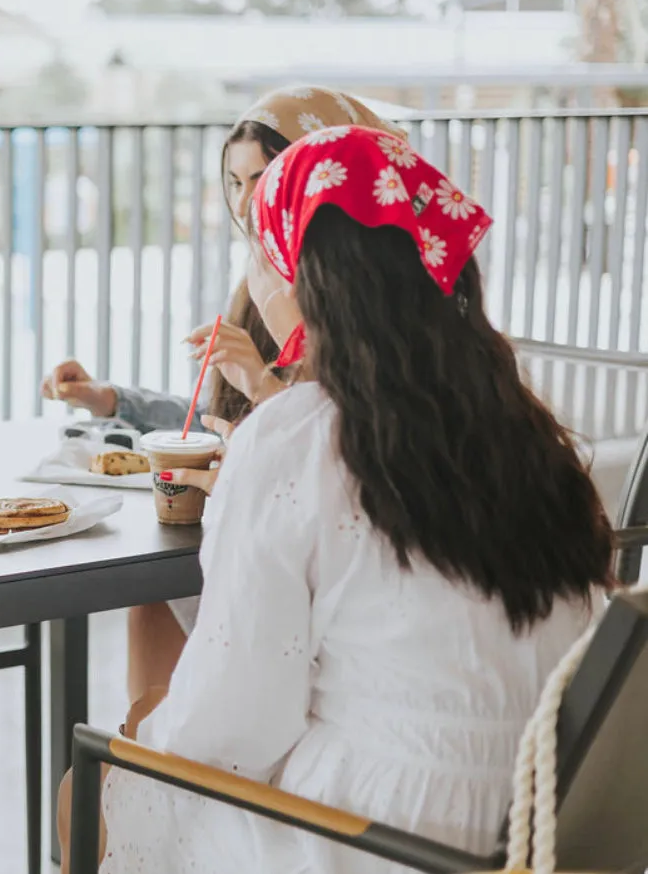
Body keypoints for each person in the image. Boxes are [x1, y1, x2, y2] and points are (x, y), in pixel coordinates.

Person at [56, 127, 614, 873]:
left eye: (260, 248)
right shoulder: (523, 431)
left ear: (296, 280)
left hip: (378, 837)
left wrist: (145, 733)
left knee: (85, 787)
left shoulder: (299, 441)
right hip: (534, 825)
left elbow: (235, 725)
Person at [44, 86, 406, 701]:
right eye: (234, 183)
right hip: (263, 545)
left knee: (164, 606)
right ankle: (150, 760)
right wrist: (113, 401)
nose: (248, 202)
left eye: (267, 177)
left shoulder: (363, 298)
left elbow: (352, 453)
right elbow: (219, 421)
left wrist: (265, 388)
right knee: (151, 603)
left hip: (330, 588)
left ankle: (157, 768)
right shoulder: (263, 275)